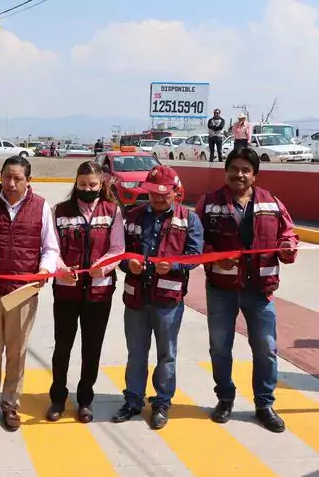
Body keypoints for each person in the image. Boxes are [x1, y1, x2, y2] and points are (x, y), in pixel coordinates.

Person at [196, 148, 298, 433]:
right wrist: (215, 256)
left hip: (259, 289)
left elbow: (288, 234)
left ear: (255, 175)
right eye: (234, 168)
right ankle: (225, 399)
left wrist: (288, 247)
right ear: (225, 170)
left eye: (246, 170)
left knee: (266, 348)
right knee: (220, 347)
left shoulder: (272, 202)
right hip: (221, 289)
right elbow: (195, 242)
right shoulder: (208, 203)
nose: (239, 174)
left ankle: (264, 404)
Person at [0, 155, 60, 432]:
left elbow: (50, 248)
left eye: (18, 178)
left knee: (17, 353)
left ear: (29, 180)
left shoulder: (41, 207)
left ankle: (10, 405)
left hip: (23, 293)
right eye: (7, 176)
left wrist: (43, 270)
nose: (11, 182)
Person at [112, 165, 204, 430]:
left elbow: (194, 254)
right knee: (136, 353)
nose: (159, 198)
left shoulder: (189, 219)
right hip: (137, 297)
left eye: (165, 194)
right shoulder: (133, 216)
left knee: (167, 354)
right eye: (153, 193)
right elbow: (120, 252)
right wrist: (128, 264)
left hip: (168, 299)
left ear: (176, 192)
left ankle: (162, 402)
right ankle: (132, 400)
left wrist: (174, 266)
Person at [47, 161, 125, 423]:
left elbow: (117, 248)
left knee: (92, 348)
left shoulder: (112, 211)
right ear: (75, 184)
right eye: (82, 184)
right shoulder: (58, 211)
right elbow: (52, 249)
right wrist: (60, 270)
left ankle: (85, 400)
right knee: (63, 347)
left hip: (99, 292)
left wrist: (103, 267)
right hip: (67, 291)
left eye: (93, 185)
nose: (87, 189)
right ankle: (58, 398)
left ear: (101, 184)